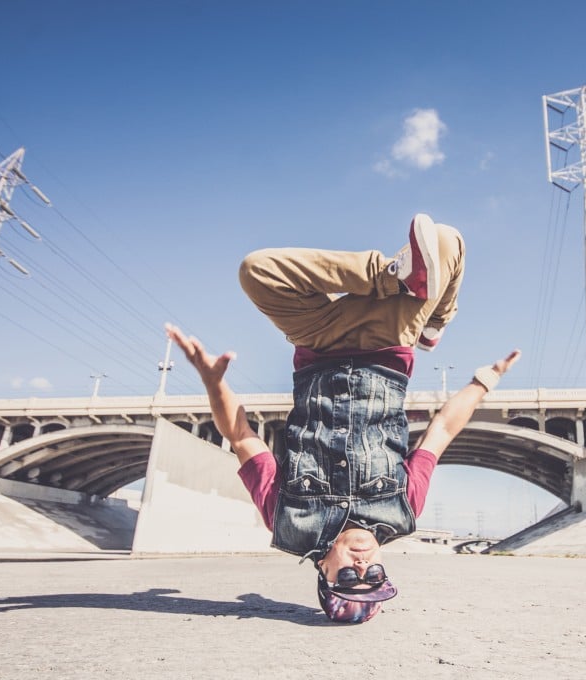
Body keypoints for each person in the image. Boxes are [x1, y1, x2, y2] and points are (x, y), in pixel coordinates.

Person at [166, 213, 520, 623]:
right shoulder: (403, 508)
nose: (363, 561)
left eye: (350, 575)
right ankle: (433, 316)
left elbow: (244, 438)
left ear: (323, 570)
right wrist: (486, 380)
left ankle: (395, 278)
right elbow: (441, 430)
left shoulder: (287, 520)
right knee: (446, 240)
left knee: (256, 271)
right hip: (390, 343)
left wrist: (213, 383)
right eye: (375, 573)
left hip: (320, 343)